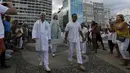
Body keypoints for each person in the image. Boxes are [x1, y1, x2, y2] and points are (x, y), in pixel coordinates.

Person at [0, 1, 17, 69]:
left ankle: (3, 63)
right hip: (2, 35)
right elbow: (14, 11)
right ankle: (3, 63)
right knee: (4, 50)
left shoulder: (3, 20)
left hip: (3, 34)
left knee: (3, 49)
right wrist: (10, 5)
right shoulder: (4, 21)